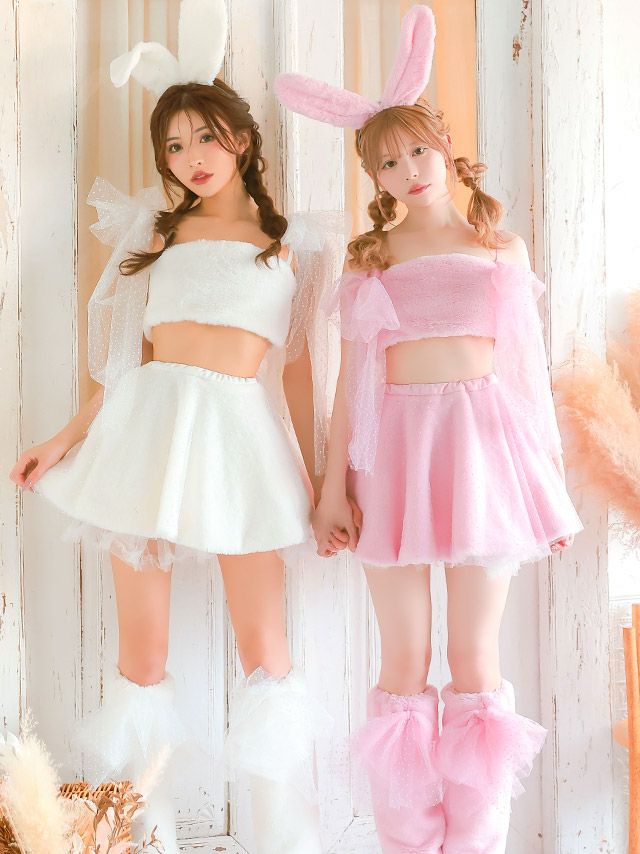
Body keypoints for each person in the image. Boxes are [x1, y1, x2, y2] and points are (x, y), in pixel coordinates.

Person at [9, 2, 337, 851]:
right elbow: (124, 365)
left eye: (206, 138)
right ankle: (143, 830)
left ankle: (277, 832)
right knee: (141, 653)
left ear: (243, 140)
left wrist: (320, 479)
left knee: (266, 649)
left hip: (242, 441)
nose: (191, 157)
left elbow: (298, 371)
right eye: (175, 145)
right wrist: (62, 439)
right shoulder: (155, 232)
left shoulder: (293, 244)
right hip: (143, 435)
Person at [276, 5, 583, 853]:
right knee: (404, 667)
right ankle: (409, 845)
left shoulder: (501, 248)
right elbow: (352, 388)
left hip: (485, 455)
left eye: (417, 151)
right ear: (372, 178)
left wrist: (548, 487)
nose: (407, 170)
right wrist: (331, 490)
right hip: (394, 458)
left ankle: (477, 846)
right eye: (387, 161)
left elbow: (525, 377)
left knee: (476, 665)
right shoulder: (370, 260)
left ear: (444, 148)